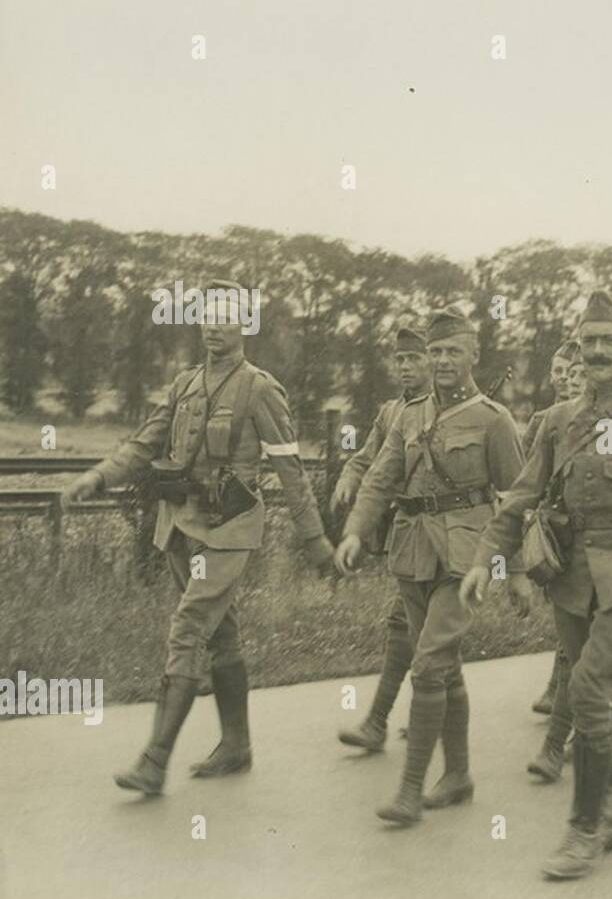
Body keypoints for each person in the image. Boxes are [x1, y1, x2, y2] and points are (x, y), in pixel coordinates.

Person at [461, 290, 612, 880]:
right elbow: (520, 496)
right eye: (587, 342)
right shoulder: (556, 422)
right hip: (569, 580)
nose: (597, 352)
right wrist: (484, 560)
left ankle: (583, 829)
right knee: (601, 699)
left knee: (589, 694)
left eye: (608, 341)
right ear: (577, 349)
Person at [60, 284, 334, 794]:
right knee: (220, 633)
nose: (214, 325)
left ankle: (154, 760)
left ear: (245, 325)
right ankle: (237, 746)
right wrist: (96, 477)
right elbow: (145, 442)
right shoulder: (185, 383)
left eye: (226, 317)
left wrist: (315, 541)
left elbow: (291, 470)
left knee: (188, 628)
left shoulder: (260, 389)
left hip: (229, 531)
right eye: (207, 316)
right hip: (182, 526)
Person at [334, 309, 530, 825]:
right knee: (444, 668)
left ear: (473, 356)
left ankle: (409, 790)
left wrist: (518, 574)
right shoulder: (409, 415)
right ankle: (459, 775)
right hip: (412, 552)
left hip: (465, 560)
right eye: (436, 352)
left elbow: (514, 501)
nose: (443, 361)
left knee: (426, 667)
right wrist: (356, 530)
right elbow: (380, 477)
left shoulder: (495, 421)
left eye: (453, 351)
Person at [333, 325, 434, 752]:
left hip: (445, 538)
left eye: (414, 358)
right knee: (407, 626)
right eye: (401, 359)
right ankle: (385, 720)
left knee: (428, 630)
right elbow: (367, 458)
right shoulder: (391, 412)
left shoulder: (448, 409)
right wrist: (348, 476)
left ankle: (420, 714)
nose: (406, 367)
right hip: (409, 536)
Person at [527, 339, 582, 717]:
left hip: (577, 527)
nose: (565, 380)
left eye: (573, 372)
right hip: (550, 529)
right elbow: (526, 477)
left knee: (574, 615)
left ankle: (560, 694)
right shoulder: (542, 422)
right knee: (564, 613)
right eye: (560, 373)